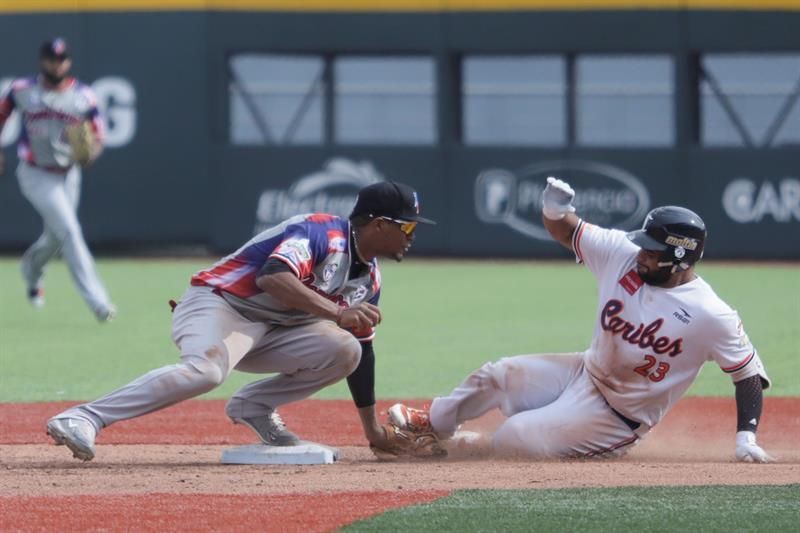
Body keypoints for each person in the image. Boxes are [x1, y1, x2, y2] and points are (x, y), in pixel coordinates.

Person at [389, 177, 773, 463]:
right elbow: (566, 229)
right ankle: (433, 425)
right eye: (644, 245)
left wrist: (746, 437)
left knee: (517, 437)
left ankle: (461, 449)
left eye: (654, 252)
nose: (642, 255)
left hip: (618, 418)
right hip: (585, 372)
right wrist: (555, 210)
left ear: (681, 260)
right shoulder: (624, 253)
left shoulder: (711, 314)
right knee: (499, 375)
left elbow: (747, 373)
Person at [45, 181, 436, 461]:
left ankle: (255, 406)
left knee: (347, 349)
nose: (412, 236)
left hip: (275, 328)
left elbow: (364, 351)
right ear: (379, 224)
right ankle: (82, 417)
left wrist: (374, 434)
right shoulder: (323, 232)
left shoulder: (369, 277)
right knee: (207, 372)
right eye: (407, 226)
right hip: (221, 305)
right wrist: (336, 313)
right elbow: (272, 276)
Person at [0, 37, 116, 321]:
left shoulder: (84, 97)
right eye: (52, 58)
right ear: (43, 61)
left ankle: (31, 269)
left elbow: (98, 135)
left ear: (69, 61)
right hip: (35, 173)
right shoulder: (22, 90)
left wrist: (91, 153)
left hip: (68, 173)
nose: (57, 63)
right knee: (70, 232)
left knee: (56, 237)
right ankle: (99, 303)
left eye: (62, 58)